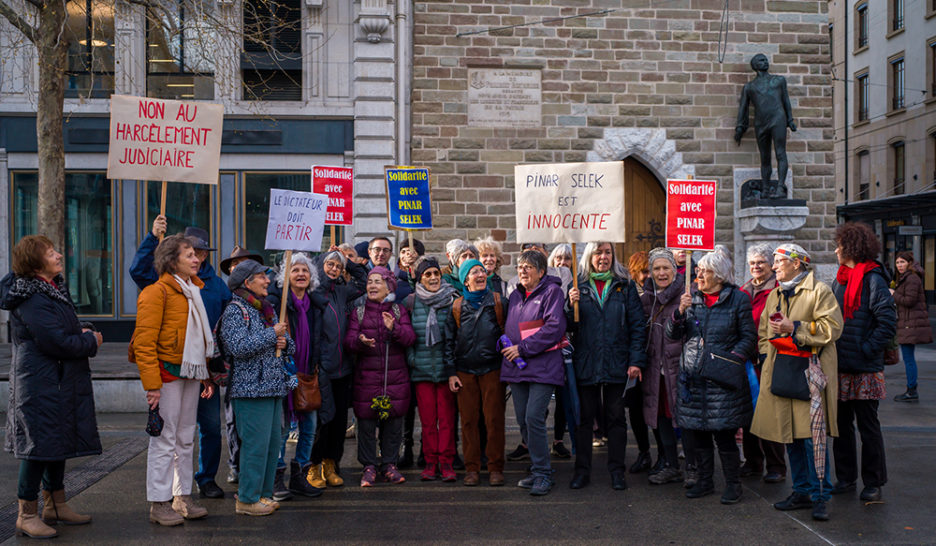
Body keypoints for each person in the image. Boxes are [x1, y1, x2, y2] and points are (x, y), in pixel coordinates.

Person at [1, 235, 103, 539]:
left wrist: (84, 331)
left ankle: (55, 505)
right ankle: (26, 514)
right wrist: (91, 341)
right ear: (35, 264)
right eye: (50, 253)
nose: (59, 255)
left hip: (57, 382)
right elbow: (55, 341)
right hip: (38, 383)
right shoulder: (32, 296)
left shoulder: (53, 288)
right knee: (36, 448)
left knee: (56, 443)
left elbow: (64, 328)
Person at [130, 216, 231, 500]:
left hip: (195, 374)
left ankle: (186, 493)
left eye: (199, 253)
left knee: (190, 437)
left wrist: (206, 373)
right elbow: (145, 343)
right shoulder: (156, 290)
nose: (197, 258)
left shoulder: (202, 287)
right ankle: (160, 501)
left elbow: (207, 335)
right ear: (173, 260)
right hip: (167, 375)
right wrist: (152, 386)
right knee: (165, 440)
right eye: (190, 254)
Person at [751, 244, 842, 522]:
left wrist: (797, 329)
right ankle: (801, 491)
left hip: (809, 373)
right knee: (790, 434)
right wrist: (769, 357)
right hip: (782, 373)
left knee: (812, 438)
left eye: (779, 262)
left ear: (797, 264)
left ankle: (819, 496)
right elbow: (765, 331)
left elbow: (833, 328)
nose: (774, 266)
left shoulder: (820, 291)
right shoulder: (776, 294)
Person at [666, 251, 756, 504]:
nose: (698, 275)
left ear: (718, 274)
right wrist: (678, 313)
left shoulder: (738, 299)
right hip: (693, 378)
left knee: (724, 434)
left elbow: (748, 337)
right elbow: (673, 335)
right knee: (698, 432)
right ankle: (705, 481)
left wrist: (730, 362)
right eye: (698, 271)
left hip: (722, 381)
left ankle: (733, 485)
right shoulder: (691, 299)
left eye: (703, 271)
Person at [567, 242, 647, 491]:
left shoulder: (625, 285)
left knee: (615, 419)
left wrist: (635, 361)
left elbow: (637, 325)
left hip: (617, 361)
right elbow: (568, 328)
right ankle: (582, 471)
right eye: (598, 252)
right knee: (584, 420)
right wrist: (570, 307)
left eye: (608, 252)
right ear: (589, 256)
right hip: (587, 362)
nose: (603, 257)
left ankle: (616, 471)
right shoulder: (577, 285)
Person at [218, 259, 294, 516]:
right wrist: (273, 334)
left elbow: (287, 344)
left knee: (271, 445)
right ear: (247, 282)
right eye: (262, 276)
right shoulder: (235, 311)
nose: (268, 281)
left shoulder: (267, 309)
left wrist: (284, 342)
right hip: (250, 390)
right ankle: (247, 499)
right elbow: (238, 347)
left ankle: (262, 494)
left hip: (272, 388)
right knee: (255, 446)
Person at [830, 222, 896, 503]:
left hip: (865, 366)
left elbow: (887, 322)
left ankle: (873, 481)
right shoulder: (841, 278)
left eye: (840, 245)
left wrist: (867, 349)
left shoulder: (873, 278)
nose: (836, 250)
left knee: (868, 427)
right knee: (841, 426)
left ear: (852, 247)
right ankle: (845, 478)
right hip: (841, 365)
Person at [501, 250, 568, 496]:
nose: (523, 271)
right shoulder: (516, 295)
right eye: (520, 267)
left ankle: (543, 473)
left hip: (543, 367)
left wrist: (523, 348)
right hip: (517, 368)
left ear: (542, 272)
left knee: (533, 417)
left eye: (529, 267)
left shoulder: (552, 293)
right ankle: (537, 467)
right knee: (523, 420)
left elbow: (554, 327)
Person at [344, 267, 417, 486]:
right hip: (367, 378)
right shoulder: (358, 312)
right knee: (366, 423)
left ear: (389, 287)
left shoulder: (398, 310)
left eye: (377, 282)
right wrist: (359, 341)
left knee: (394, 423)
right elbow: (348, 341)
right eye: (370, 282)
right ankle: (368, 466)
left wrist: (394, 328)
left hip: (395, 378)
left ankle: (389, 465)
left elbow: (410, 338)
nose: (372, 286)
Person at [265, 253, 328, 499]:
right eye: (295, 270)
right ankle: (277, 477)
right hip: (285, 372)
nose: (301, 274)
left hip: (308, 372)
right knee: (282, 428)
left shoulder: (315, 304)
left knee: (309, 426)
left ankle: (300, 474)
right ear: (286, 276)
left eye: (305, 270)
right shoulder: (276, 303)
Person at [444, 259, 509, 486]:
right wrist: (451, 372)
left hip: (493, 370)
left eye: (482, 271)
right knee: (469, 421)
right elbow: (448, 342)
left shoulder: (500, 302)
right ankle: (472, 469)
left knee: (494, 421)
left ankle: (495, 468)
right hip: (465, 372)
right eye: (474, 272)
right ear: (465, 280)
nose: (480, 275)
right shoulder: (456, 306)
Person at [307, 249, 367, 488]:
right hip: (321, 369)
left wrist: (348, 261)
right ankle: (313, 466)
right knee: (322, 420)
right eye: (330, 264)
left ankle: (331, 464)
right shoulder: (312, 292)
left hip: (343, 368)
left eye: (337, 266)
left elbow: (363, 281)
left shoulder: (342, 291)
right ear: (321, 265)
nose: (333, 269)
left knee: (340, 420)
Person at [404, 257, 459, 482]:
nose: (433, 278)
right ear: (420, 278)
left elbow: (456, 336)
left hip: (446, 372)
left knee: (446, 420)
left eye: (436, 273)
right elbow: (406, 336)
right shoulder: (411, 302)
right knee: (427, 422)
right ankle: (430, 462)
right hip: (422, 371)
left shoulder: (452, 299)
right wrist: (413, 360)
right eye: (428, 274)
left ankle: (446, 462)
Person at [738, 243, 787, 483]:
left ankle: (776, 465)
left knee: (770, 414)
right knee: (748, 413)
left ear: (771, 265)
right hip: (747, 361)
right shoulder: (743, 290)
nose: (756, 267)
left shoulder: (778, 291)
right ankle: (753, 461)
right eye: (752, 263)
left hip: (769, 360)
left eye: (761, 262)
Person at [218, 246, 265, 486]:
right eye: (237, 265)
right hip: (234, 372)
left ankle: (252, 472)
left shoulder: (262, 304)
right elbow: (237, 344)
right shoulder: (231, 302)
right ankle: (236, 465)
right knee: (234, 422)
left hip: (259, 378)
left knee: (255, 429)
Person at [640, 248, 685, 486]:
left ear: (674, 270)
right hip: (654, 369)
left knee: (682, 418)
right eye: (656, 268)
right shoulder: (647, 297)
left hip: (677, 369)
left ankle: (692, 467)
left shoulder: (685, 296)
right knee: (661, 417)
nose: (661, 273)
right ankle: (669, 463)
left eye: (666, 268)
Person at [734, 53, 797, 200]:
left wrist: (790, 119)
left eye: (766, 60)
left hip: (778, 119)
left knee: (781, 153)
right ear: (755, 65)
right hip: (760, 123)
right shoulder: (749, 87)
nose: (765, 62)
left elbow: (786, 100)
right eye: (761, 60)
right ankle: (766, 188)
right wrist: (740, 127)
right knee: (765, 158)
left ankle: (781, 187)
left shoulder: (779, 81)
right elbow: (743, 108)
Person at [624, 250, 654, 473]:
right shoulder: (628, 293)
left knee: (659, 410)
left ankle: (665, 454)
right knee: (635, 410)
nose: (647, 277)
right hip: (635, 359)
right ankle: (644, 452)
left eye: (649, 271)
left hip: (655, 360)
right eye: (642, 272)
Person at [891, 251, 932, 402]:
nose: (900, 265)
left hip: (911, 324)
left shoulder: (912, 278)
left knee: (908, 358)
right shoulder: (907, 277)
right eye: (897, 263)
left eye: (902, 262)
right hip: (908, 323)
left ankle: (911, 390)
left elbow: (909, 301)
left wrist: (893, 294)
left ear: (909, 263)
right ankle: (911, 389)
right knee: (909, 357)